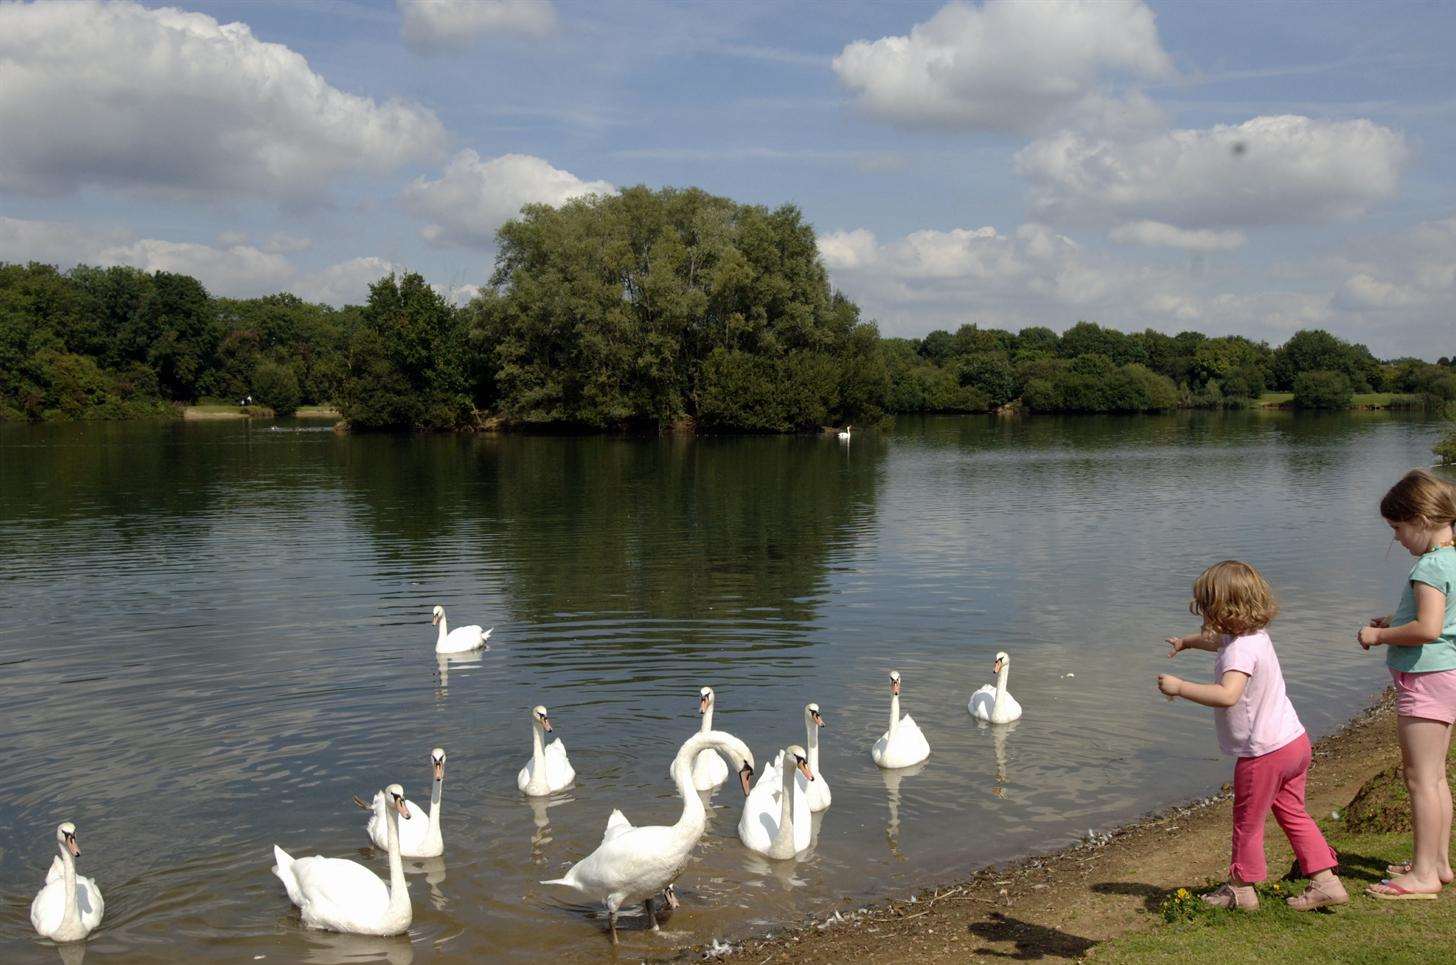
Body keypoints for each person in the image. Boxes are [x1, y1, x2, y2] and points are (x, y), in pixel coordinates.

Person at [1159, 560, 1346, 911]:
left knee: (1247, 821)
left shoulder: (1239, 651)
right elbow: (1216, 641)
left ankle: (1241, 889)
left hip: (1264, 754)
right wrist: (1186, 642)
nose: (1203, 615)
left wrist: (1180, 687)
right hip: (1293, 742)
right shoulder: (1251, 636)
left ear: (1220, 609)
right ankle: (1326, 881)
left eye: (1205, 607)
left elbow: (1228, 694)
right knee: (1293, 812)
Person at [1359, 468, 1456, 899]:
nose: (1395, 538)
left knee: (1419, 778)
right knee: (1435, 777)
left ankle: (1422, 876)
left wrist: (1379, 635)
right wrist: (1397, 621)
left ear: (1419, 519)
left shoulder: (1430, 567)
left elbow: (1429, 628)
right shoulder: (1452, 559)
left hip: (1425, 679)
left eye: (1397, 528)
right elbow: (1440, 620)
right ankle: (1437, 862)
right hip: (1446, 676)